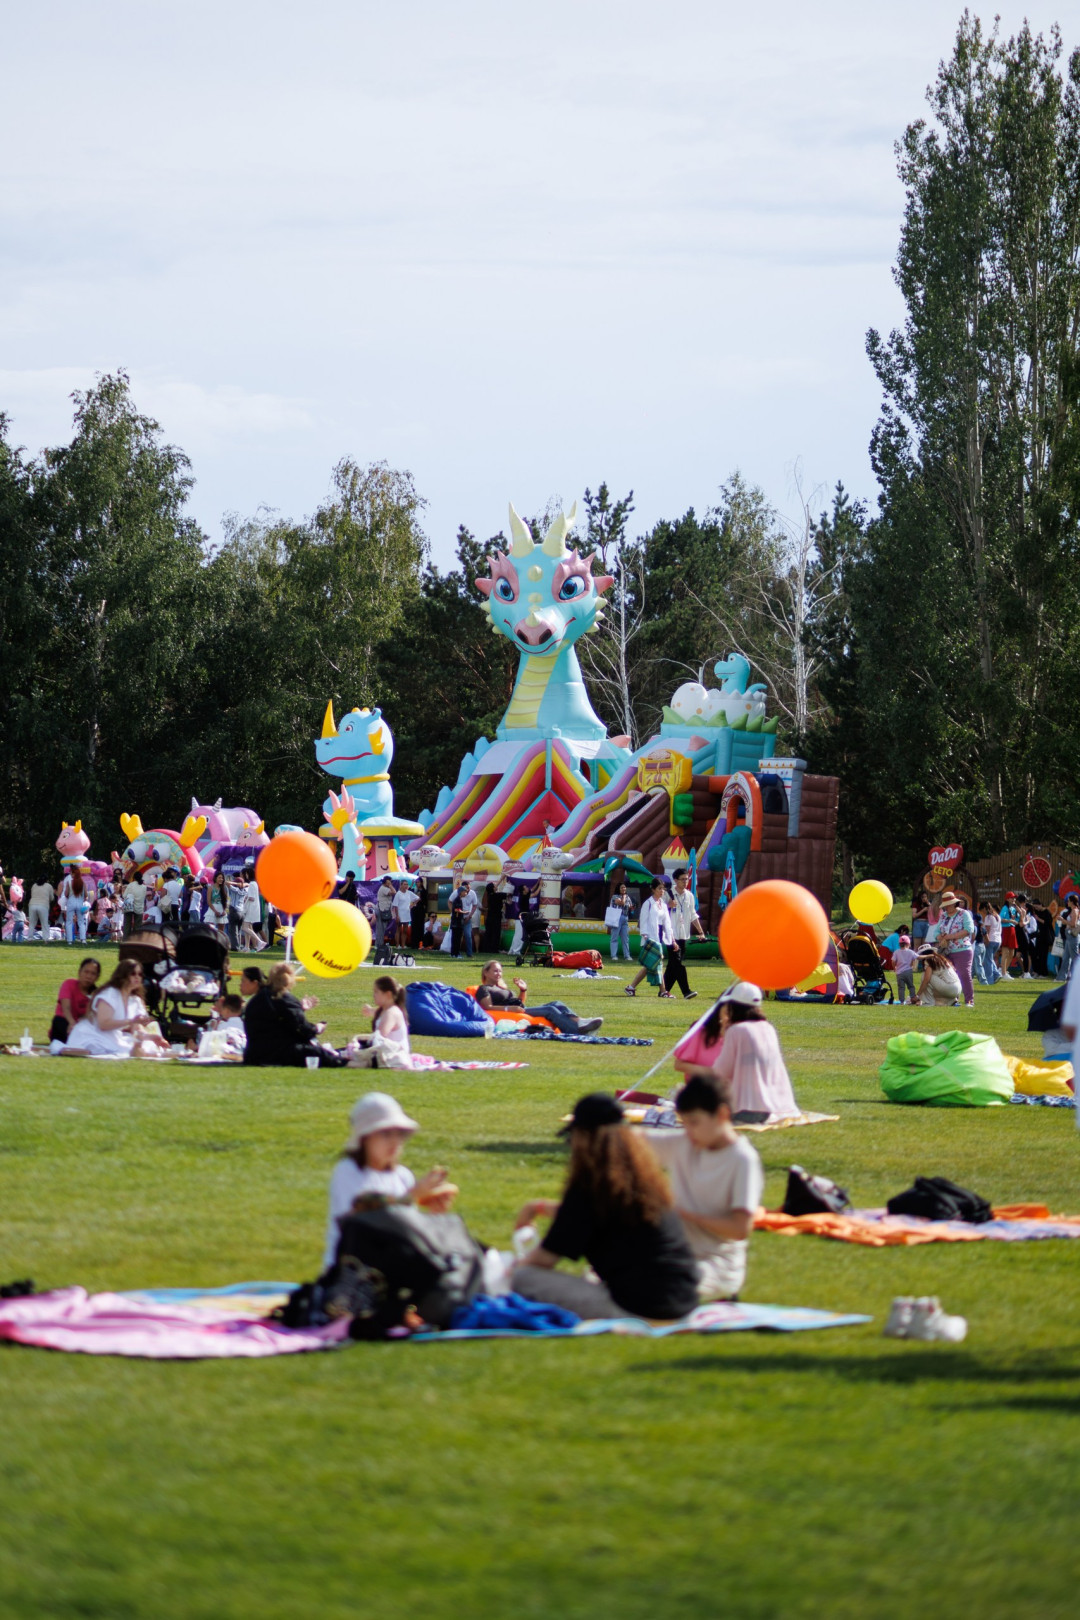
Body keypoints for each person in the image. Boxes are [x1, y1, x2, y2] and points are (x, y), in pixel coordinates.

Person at [512, 1092, 700, 1321]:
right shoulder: (644, 1181)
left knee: (523, 1277)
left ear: (583, 1137)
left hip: (638, 1309)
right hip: (684, 1301)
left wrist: (508, 1269)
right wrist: (538, 1207)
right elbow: (586, 1217)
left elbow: (544, 1260)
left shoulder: (590, 1185)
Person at [646, 1073, 764, 1302]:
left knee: (656, 1285)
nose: (688, 1131)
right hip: (677, 1256)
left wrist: (686, 1216)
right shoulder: (685, 1143)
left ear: (721, 1115)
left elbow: (740, 1229)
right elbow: (632, 1141)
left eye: (694, 1122)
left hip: (717, 1266)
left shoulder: (742, 1159)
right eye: (684, 1123)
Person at [321, 1091, 456, 1270]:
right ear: (364, 1138)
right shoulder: (348, 1171)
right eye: (385, 1134)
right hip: (350, 1272)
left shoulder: (402, 1176)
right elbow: (359, 1219)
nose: (394, 1142)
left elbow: (407, 1233)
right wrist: (411, 1196)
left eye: (399, 1134)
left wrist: (435, 1215)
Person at [674, 982, 801, 1118]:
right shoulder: (768, 1028)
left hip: (747, 1108)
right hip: (779, 1105)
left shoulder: (736, 1031)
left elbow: (721, 1071)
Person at [242, 962, 347, 1067]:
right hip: (276, 1053)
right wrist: (317, 1028)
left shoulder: (259, 998)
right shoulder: (285, 998)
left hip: (254, 1053)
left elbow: (281, 1023)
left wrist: (301, 1009)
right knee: (319, 1053)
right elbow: (302, 1029)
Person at [63, 959, 169, 1056]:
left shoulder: (135, 1000)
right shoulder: (109, 994)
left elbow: (136, 1029)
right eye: (133, 974)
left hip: (113, 1036)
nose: (137, 977)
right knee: (108, 1050)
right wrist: (131, 1021)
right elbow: (103, 1024)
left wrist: (151, 1037)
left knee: (147, 1046)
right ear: (123, 976)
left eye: (140, 974)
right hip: (91, 1034)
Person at [473, 959, 603, 1035]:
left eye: (500, 971)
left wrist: (523, 990)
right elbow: (487, 1007)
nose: (499, 974)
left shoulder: (502, 988)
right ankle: (575, 1030)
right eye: (495, 971)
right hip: (511, 1012)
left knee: (556, 1003)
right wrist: (509, 1009)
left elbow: (520, 1002)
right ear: (486, 972)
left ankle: (580, 1022)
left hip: (520, 1009)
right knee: (550, 1010)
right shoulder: (483, 989)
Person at [349, 974, 412, 1068]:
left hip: (393, 1056)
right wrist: (371, 1011)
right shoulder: (385, 1010)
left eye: (376, 992)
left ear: (388, 994)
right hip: (387, 1053)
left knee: (350, 1061)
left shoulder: (392, 1013)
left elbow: (379, 1037)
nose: (373, 995)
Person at [625, 879, 673, 997]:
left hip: (659, 937)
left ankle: (631, 987)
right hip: (650, 938)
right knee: (656, 963)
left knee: (652, 964)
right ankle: (663, 991)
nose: (662, 891)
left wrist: (671, 939)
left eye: (663, 889)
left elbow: (667, 922)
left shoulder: (663, 904)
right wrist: (646, 936)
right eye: (659, 888)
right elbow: (643, 921)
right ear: (653, 889)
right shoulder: (648, 903)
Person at [664, 868, 703, 1001]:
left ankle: (664, 990)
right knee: (677, 963)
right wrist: (668, 906)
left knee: (673, 965)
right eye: (682, 879)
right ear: (675, 880)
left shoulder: (690, 896)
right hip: (671, 935)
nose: (685, 882)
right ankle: (686, 991)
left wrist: (701, 932)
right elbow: (659, 912)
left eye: (687, 879)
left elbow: (693, 915)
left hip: (683, 935)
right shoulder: (668, 894)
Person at [934, 890, 975, 1007]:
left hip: (962, 949)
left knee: (964, 974)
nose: (946, 907)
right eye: (945, 905)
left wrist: (949, 937)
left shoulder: (964, 914)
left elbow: (969, 930)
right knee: (949, 976)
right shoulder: (943, 916)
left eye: (948, 905)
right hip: (946, 951)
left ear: (954, 903)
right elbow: (936, 932)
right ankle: (953, 999)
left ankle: (969, 1000)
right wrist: (940, 937)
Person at [50, 957, 102, 1044]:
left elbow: (93, 1016)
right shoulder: (69, 984)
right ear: (79, 972)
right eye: (86, 972)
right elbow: (66, 1008)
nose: (88, 976)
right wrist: (72, 1023)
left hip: (82, 1027)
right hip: (65, 1023)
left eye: (93, 974)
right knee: (59, 1021)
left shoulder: (96, 994)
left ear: (97, 977)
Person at [61, 872, 91, 944]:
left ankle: (69, 940)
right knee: (81, 922)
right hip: (80, 903)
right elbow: (86, 894)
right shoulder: (82, 883)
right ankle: (83, 939)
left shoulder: (69, 882)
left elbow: (66, 894)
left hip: (71, 902)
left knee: (69, 922)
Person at [607, 882, 634, 961]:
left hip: (625, 917)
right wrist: (624, 897)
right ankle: (614, 955)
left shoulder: (628, 897)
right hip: (617, 918)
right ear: (618, 889)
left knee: (625, 938)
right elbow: (621, 903)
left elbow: (630, 906)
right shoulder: (615, 896)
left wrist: (632, 907)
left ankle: (627, 955)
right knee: (614, 937)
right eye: (622, 887)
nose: (624, 889)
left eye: (624, 887)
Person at [240, 872, 266, 952]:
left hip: (250, 909)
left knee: (244, 927)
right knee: (247, 927)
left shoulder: (251, 884)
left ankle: (260, 941)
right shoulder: (255, 883)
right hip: (253, 909)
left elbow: (251, 898)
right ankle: (247, 947)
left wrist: (245, 898)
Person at [979, 902, 1002, 983]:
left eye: (982, 910)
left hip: (991, 939)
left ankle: (990, 979)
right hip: (998, 940)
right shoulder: (997, 916)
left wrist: (985, 940)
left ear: (984, 908)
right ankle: (996, 974)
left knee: (987, 960)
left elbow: (987, 930)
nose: (982, 913)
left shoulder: (988, 917)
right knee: (990, 958)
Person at [27, 873, 55, 942]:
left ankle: (30, 938)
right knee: (44, 923)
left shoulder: (34, 885)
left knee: (32, 923)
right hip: (43, 905)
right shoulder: (49, 886)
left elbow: (32, 895)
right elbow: (51, 898)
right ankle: (46, 938)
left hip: (32, 904)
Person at [893, 932, 918, 1004]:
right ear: (908, 944)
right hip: (908, 971)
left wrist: (894, 967)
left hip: (899, 973)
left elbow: (893, 961)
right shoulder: (910, 952)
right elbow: (916, 957)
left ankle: (901, 1001)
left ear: (899, 944)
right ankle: (913, 998)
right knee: (911, 986)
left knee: (901, 988)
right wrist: (928, 956)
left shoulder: (896, 952)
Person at [999, 891, 1020, 977]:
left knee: (1012, 953)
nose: (1013, 899)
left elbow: (1019, 918)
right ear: (1007, 899)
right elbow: (1000, 919)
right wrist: (1010, 921)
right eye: (1012, 898)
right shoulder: (1005, 908)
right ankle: (1003, 973)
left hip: (1012, 930)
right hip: (1006, 929)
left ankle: (1003, 970)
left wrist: (1019, 909)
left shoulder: (1014, 909)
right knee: (1005, 952)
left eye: (1014, 898)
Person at [393, 881, 418, 951]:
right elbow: (396, 905)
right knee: (398, 929)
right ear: (401, 885)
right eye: (404, 884)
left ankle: (403, 945)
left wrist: (412, 904)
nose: (406, 886)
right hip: (400, 913)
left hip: (407, 913)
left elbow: (417, 898)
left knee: (405, 930)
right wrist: (397, 916)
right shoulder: (398, 894)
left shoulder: (409, 893)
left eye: (407, 884)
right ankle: (397, 945)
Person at [480, 881, 505, 953]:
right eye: (494, 886)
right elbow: (507, 894)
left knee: (488, 933)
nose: (496, 886)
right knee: (496, 933)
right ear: (493, 888)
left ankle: (486, 948)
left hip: (489, 917)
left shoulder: (490, 896)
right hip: (496, 917)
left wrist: (501, 879)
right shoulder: (497, 896)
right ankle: (494, 949)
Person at [374, 876, 396, 953]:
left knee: (383, 928)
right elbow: (394, 892)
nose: (390, 883)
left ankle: (380, 944)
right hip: (381, 910)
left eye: (390, 882)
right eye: (388, 882)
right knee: (380, 928)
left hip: (384, 910)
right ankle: (378, 945)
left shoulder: (385, 888)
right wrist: (390, 886)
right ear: (385, 882)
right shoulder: (383, 888)